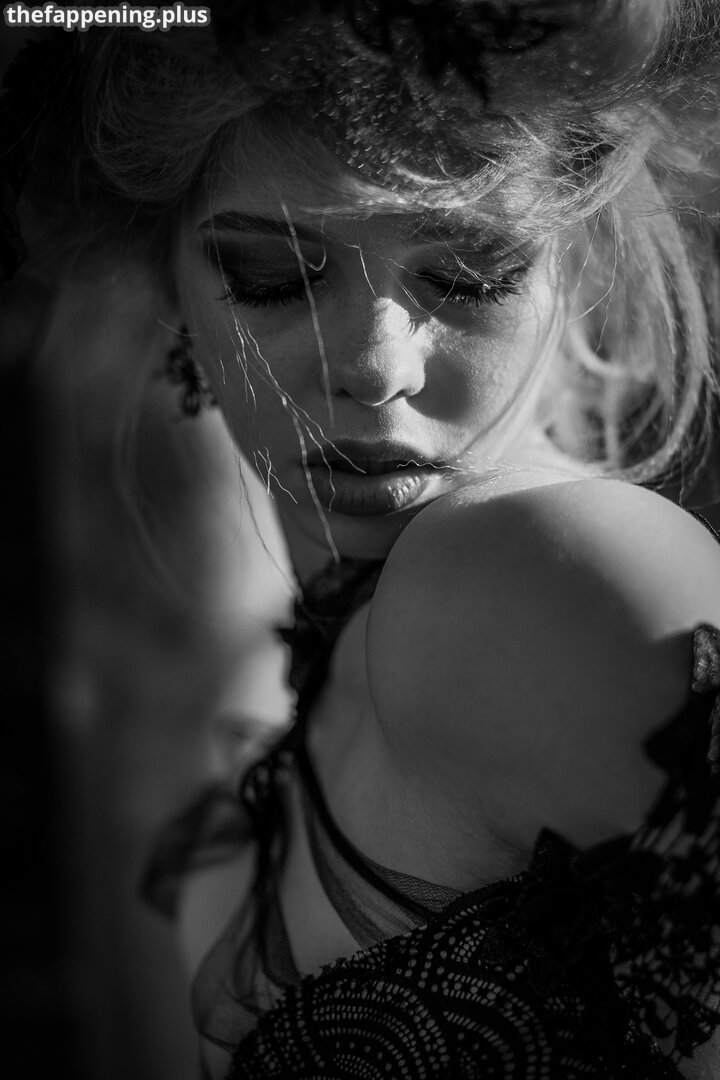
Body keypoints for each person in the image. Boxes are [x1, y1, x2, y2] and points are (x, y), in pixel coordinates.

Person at [4, 1, 720, 1077]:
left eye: (469, 274)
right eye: (272, 276)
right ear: (174, 292)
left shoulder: (544, 576)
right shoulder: (317, 702)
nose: (378, 366)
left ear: (581, 263)